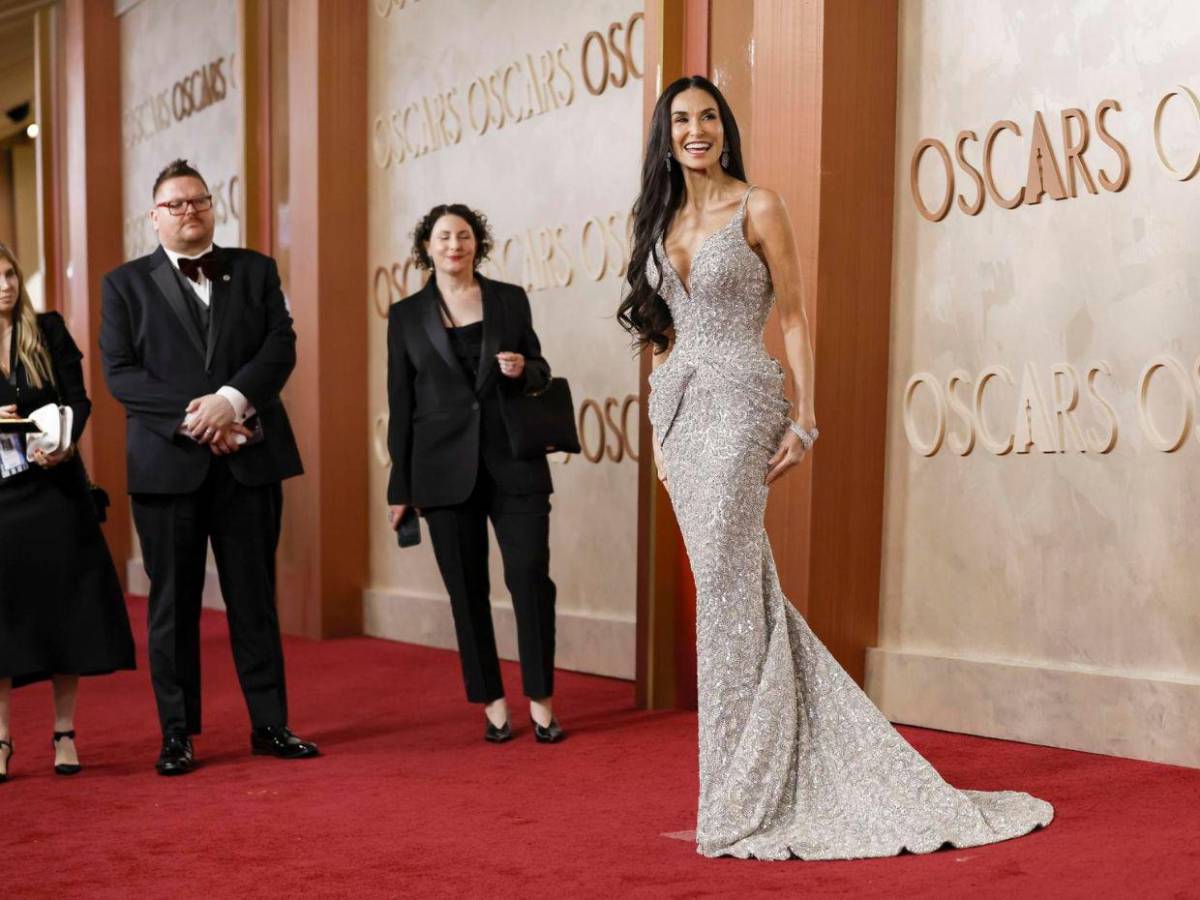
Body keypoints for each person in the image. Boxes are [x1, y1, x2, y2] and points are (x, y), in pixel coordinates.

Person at [618, 76, 1053, 859]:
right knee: (739, 589)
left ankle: (738, 791)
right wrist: (659, 422)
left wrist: (805, 417)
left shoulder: (758, 206)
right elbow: (660, 330)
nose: (696, 130)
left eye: (708, 117)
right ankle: (760, 772)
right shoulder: (657, 219)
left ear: (725, 127)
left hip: (744, 402)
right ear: (665, 133)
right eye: (681, 120)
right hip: (679, 414)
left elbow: (792, 315)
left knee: (723, 591)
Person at [100, 159, 318, 776]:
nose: (189, 211)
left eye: (198, 201)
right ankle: (177, 734)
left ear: (212, 207)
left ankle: (270, 725)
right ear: (155, 216)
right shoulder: (123, 284)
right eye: (175, 204)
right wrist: (197, 420)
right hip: (169, 466)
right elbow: (120, 372)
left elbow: (281, 346)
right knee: (173, 606)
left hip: (249, 457)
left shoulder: (255, 270)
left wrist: (231, 403)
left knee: (256, 600)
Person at [387, 204, 563, 744]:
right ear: (427, 247)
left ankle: (541, 700)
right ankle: (491, 701)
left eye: (463, 236)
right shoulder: (406, 315)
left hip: (514, 460)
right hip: (441, 471)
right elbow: (401, 403)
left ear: (476, 243)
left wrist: (522, 369)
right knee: (466, 591)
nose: (454, 245)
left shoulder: (508, 298)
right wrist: (401, 487)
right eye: (443, 237)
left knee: (530, 576)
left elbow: (541, 370)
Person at [0, 243, 135, 782]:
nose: (6, 285)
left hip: (54, 489)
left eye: (10, 274)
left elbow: (79, 400)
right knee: (3, 618)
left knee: (65, 611)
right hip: (2, 497)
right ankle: (2, 739)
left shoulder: (48, 329)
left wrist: (65, 438)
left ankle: (64, 733)